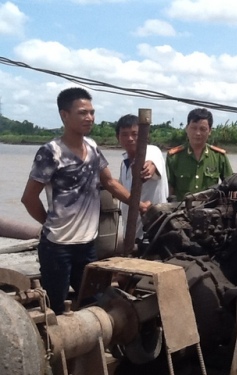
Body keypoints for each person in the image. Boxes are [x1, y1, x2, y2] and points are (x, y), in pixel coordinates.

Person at [21, 87, 149, 315]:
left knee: (95, 306)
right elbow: (29, 198)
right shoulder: (51, 152)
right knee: (56, 310)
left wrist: (138, 204)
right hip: (58, 248)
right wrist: (50, 226)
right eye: (82, 112)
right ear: (64, 115)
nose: (89, 117)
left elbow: (109, 182)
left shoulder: (92, 147)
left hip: (88, 246)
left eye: (92, 112)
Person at [116, 114, 168, 240]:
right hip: (132, 233)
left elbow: (150, 164)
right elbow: (121, 188)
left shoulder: (152, 151)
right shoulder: (124, 163)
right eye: (124, 134)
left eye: (135, 134)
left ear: (145, 136)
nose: (130, 138)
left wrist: (148, 168)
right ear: (118, 138)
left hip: (154, 232)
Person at [167, 108, 233, 200]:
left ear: (210, 131)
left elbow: (231, 186)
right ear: (187, 129)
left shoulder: (219, 156)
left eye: (203, 129)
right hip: (181, 211)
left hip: (211, 210)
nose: (198, 133)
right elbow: (169, 188)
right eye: (193, 128)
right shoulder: (173, 157)